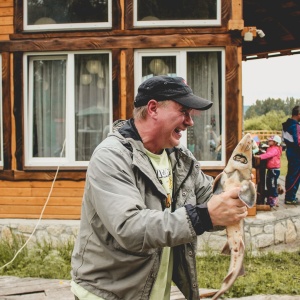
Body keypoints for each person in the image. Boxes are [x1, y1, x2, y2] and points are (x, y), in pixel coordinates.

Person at [70, 75, 248, 300]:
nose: (190, 122)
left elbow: (210, 202)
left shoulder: (180, 158)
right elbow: (130, 228)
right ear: (153, 108)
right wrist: (205, 216)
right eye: (184, 111)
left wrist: (234, 191)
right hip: (106, 294)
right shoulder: (111, 156)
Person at [255, 135, 282, 207]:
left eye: (270, 141)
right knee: (269, 184)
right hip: (271, 169)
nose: (268, 141)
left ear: (275, 142)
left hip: (274, 170)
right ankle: (270, 198)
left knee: (272, 184)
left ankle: (274, 198)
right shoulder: (270, 148)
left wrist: (260, 156)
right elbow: (267, 153)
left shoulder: (275, 149)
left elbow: (269, 155)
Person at [282, 105, 300, 205]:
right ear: (298, 114)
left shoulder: (286, 124)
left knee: (291, 174)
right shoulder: (295, 126)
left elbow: (285, 140)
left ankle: (289, 196)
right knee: (295, 175)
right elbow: (298, 141)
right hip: (296, 154)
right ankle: (290, 197)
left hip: (290, 151)